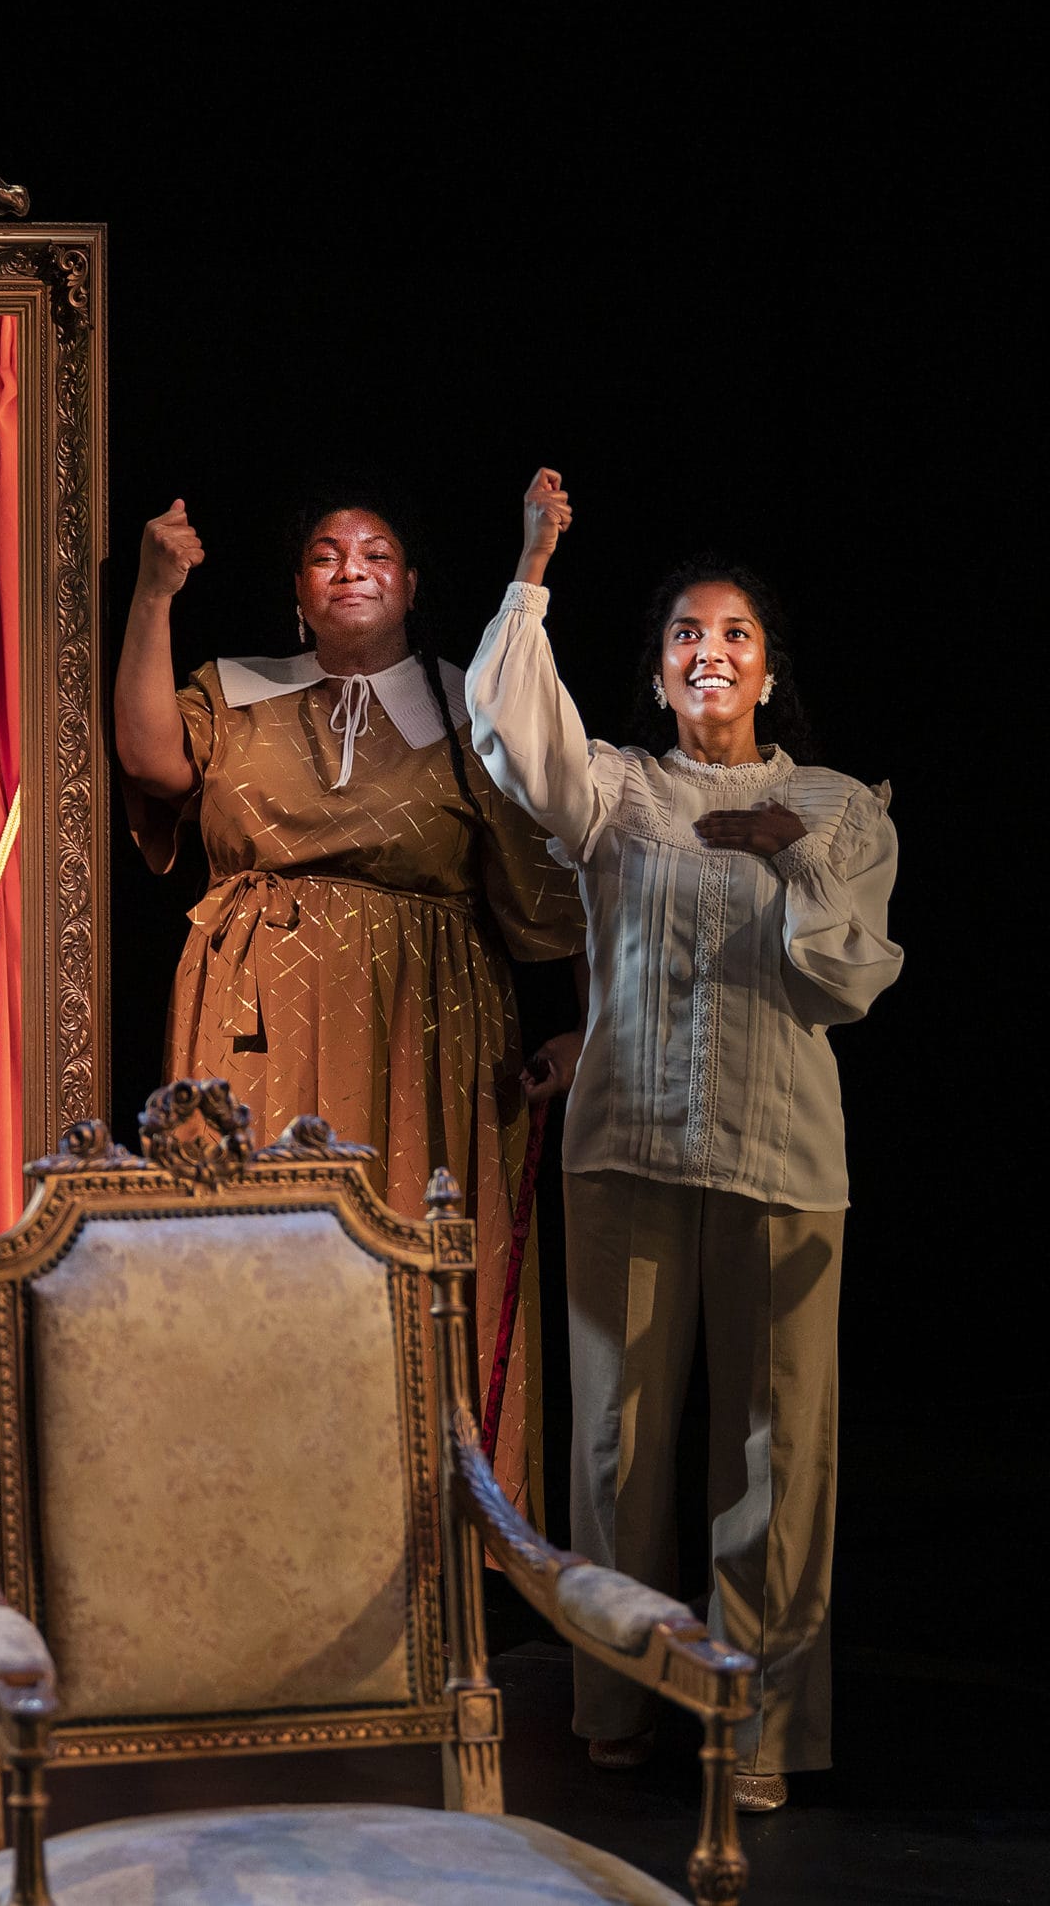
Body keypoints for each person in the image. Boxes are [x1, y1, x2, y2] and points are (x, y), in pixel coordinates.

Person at [467, 471, 902, 1813]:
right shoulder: (619, 789)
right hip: (630, 1144)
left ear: (767, 668)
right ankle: (618, 1698)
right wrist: (535, 561)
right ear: (657, 676)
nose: (709, 652)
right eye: (684, 638)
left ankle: (757, 1727)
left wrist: (780, 852)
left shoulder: (838, 807)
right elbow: (511, 735)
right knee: (619, 1446)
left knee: (777, 1453)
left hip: (783, 1160)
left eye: (735, 636)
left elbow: (849, 976)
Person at [114, 490, 586, 1518]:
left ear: (412, 586)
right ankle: (246, 1529)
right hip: (252, 1020)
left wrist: (587, 1027)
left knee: (407, 1279)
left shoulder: (471, 712)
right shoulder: (235, 690)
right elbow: (151, 760)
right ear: (296, 592)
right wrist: (154, 593)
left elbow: (568, 886)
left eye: (376, 551)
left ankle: (419, 1552)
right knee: (253, 1262)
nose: (350, 566)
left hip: (423, 1030)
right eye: (324, 554)